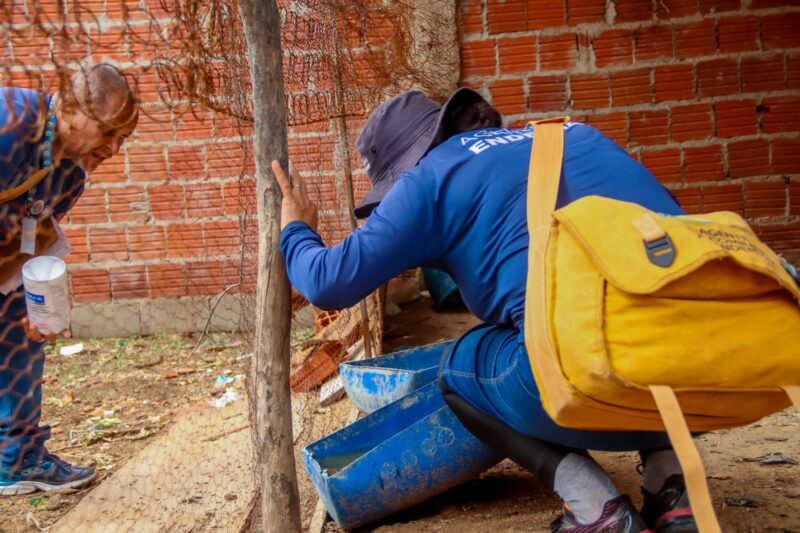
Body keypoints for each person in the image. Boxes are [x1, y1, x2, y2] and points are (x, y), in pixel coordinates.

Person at [275, 89, 696, 532]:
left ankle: (598, 509)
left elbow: (325, 282)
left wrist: (296, 227)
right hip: (701, 373)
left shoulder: (427, 181)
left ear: (408, 163)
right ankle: (672, 487)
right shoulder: (571, 133)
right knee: (635, 312)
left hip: (602, 381)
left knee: (461, 369)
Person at [0, 64, 138, 495]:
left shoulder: (72, 170)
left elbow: (35, 230)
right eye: (108, 131)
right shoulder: (10, 124)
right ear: (69, 109)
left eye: (123, 138)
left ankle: (19, 461)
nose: (114, 148)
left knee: (23, 335)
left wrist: (38, 300)